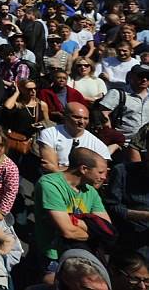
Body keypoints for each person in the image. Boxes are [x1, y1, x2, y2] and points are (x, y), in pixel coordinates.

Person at [34, 148, 112, 282]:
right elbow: (68, 231)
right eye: (100, 172)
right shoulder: (50, 184)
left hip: (81, 255)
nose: (104, 177)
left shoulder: (91, 191)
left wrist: (80, 227)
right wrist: (93, 230)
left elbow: (107, 228)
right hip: (53, 256)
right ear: (83, 169)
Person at [37, 102, 111, 173]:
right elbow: (49, 168)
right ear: (65, 116)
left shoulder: (98, 146)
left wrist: (57, 169)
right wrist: (81, 171)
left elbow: (99, 176)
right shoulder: (49, 134)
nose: (81, 122)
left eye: (85, 118)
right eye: (77, 117)